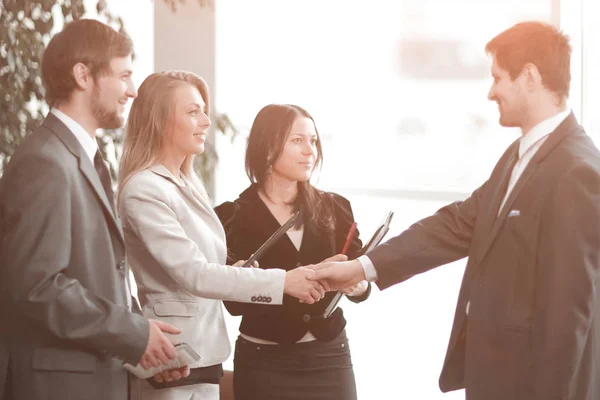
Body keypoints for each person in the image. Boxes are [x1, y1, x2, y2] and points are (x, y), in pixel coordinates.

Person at [309, 21, 600, 400]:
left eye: (497, 78)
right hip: (496, 380)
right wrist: (361, 266)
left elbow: (567, 318)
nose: (491, 91)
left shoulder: (575, 170)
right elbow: (456, 224)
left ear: (530, 76)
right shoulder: (519, 155)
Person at [0, 19, 181, 400]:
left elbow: (97, 276)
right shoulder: (45, 162)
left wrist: (146, 345)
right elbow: (37, 286)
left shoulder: (78, 158)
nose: (132, 91)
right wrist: (132, 333)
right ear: (83, 75)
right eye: (124, 75)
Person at [117, 72, 327, 400]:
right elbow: (195, 274)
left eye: (204, 111)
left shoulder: (187, 182)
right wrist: (283, 282)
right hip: (171, 356)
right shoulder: (144, 188)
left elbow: (204, 267)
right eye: (192, 112)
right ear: (159, 120)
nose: (205, 122)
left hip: (202, 354)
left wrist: (239, 269)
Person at [214, 103, 371, 400]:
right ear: (267, 145)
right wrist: (272, 282)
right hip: (264, 361)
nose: (309, 150)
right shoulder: (231, 216)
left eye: (313, 141)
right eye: (297, 140)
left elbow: (362, 281)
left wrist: (357, 284)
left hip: (330, 355)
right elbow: (232, 304)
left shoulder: (336, 208)